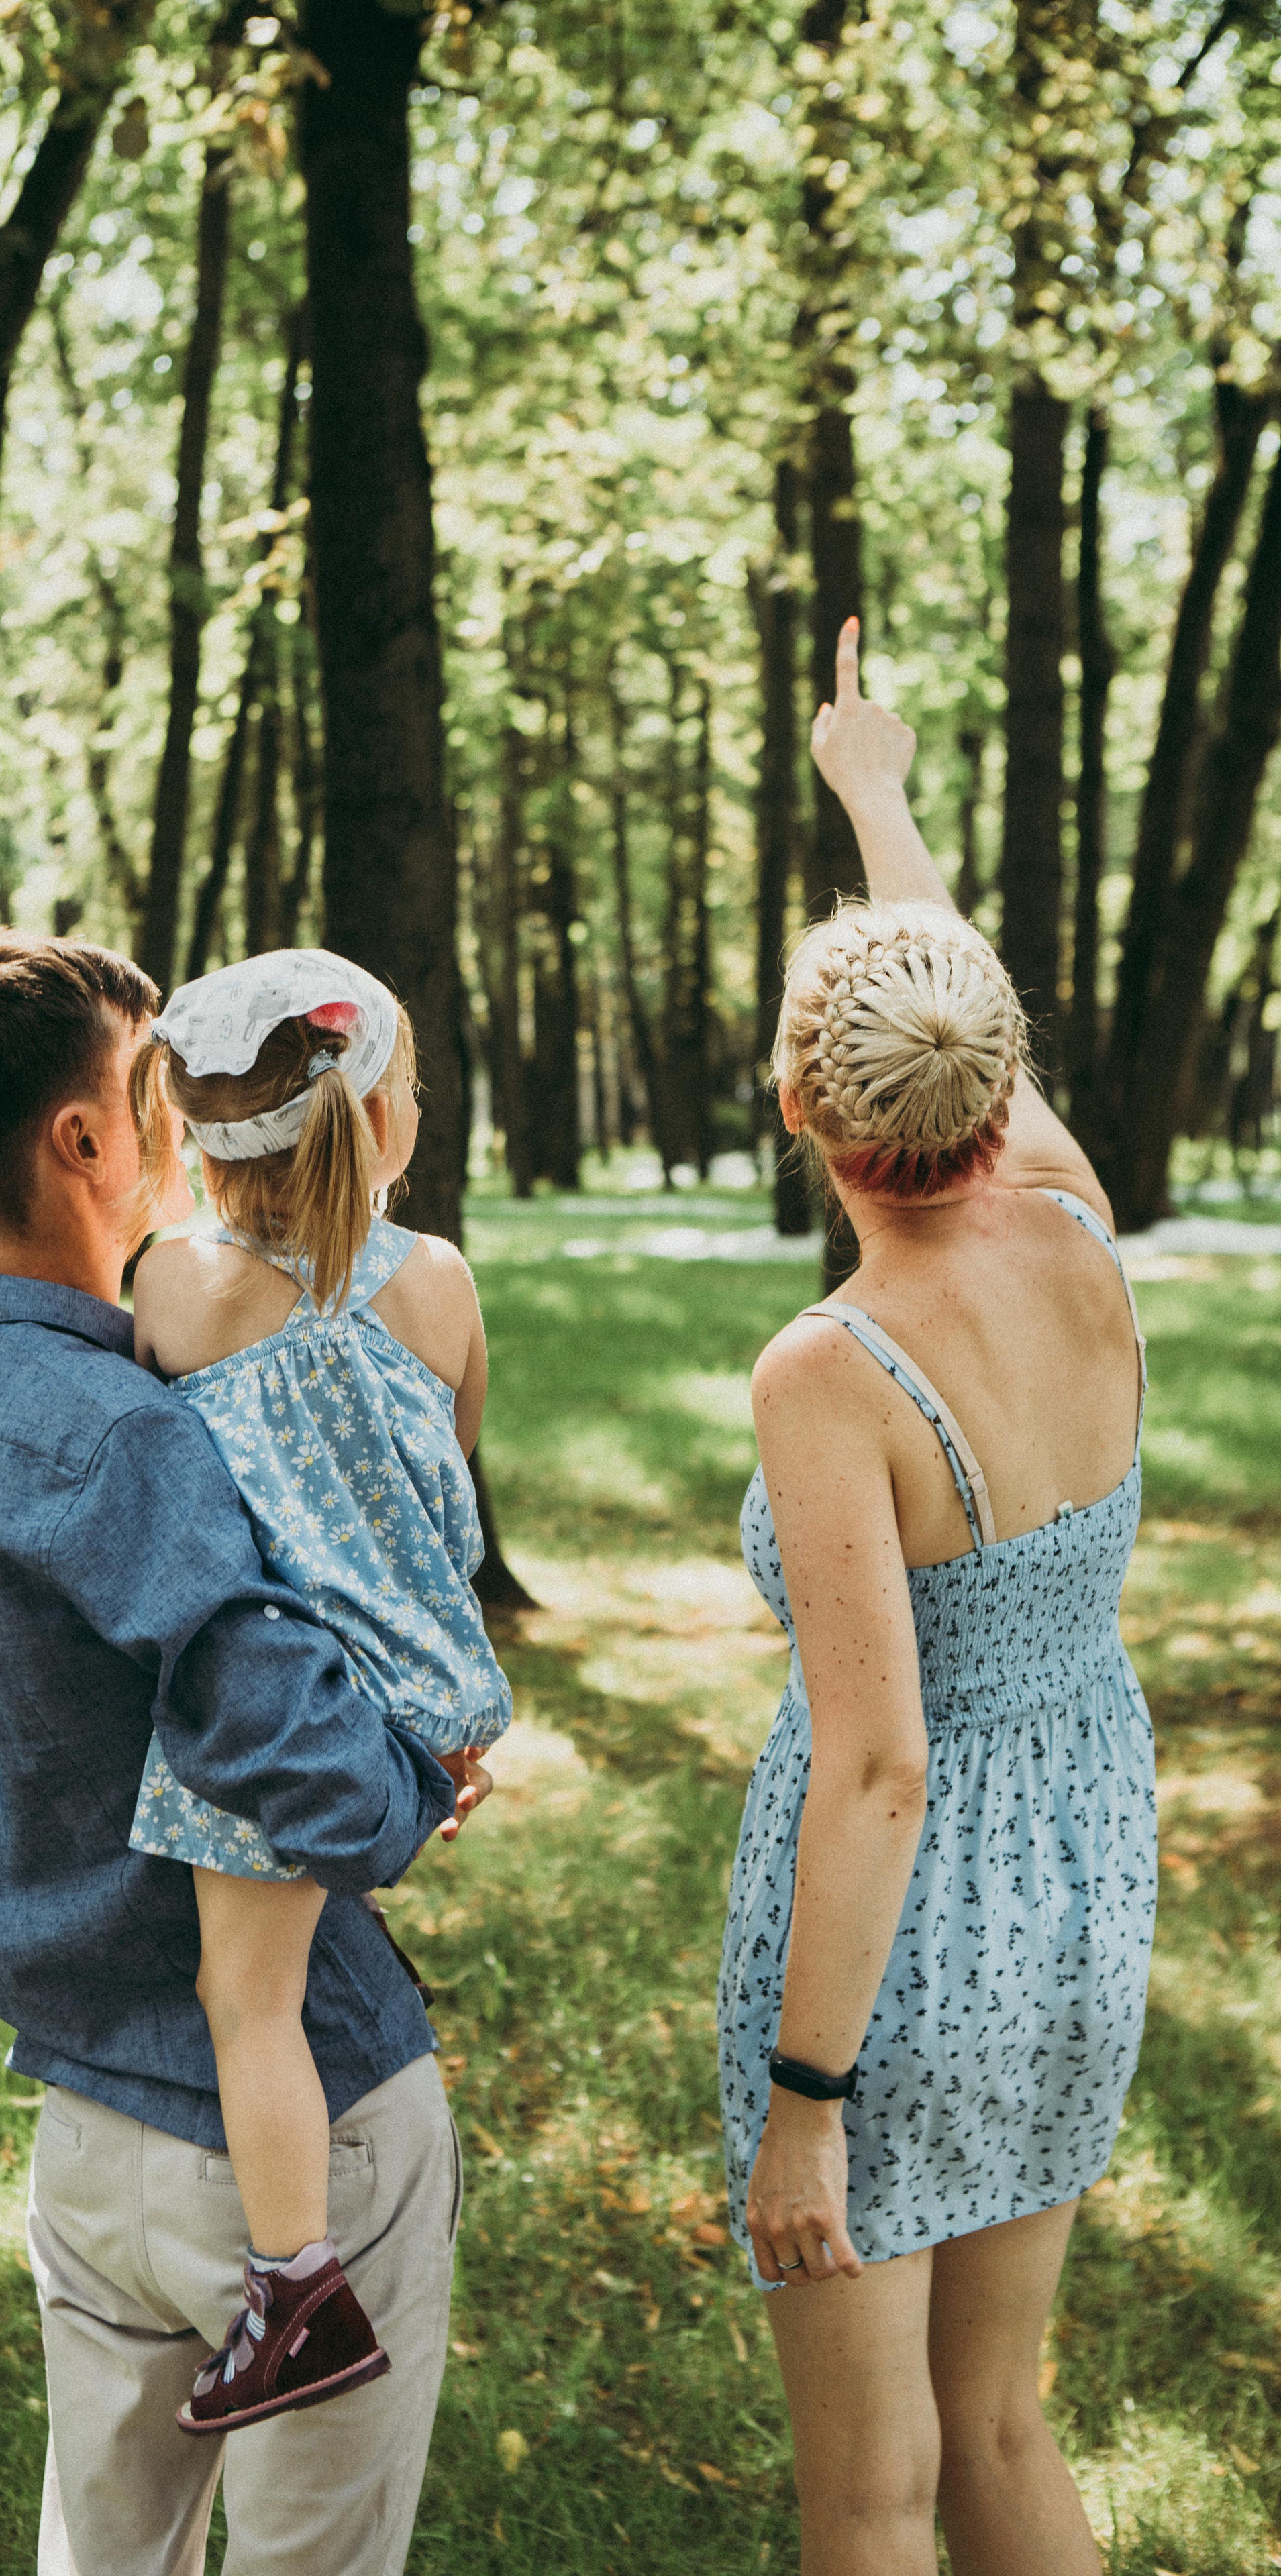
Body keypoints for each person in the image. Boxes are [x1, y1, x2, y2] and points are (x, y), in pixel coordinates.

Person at [0, 931, 488, 2576]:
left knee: (105, 2554)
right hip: (298, 2124)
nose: (189, 1110)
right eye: (152, 1083)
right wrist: (421, 1772)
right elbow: (324, 1783)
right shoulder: (128, 1432)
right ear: (85, 1139)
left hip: (81, 2115)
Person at [717, 623, 1156, 2576]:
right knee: (995, 2425)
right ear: (993, 1088)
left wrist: (806, 2098)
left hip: (902, 1947)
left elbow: (878, 1766)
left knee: (872, 2490)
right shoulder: (1075, 1228)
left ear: (798, 1108)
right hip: (1083, 1887)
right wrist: (875, 799)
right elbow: (962, 1027)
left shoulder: (832, 1368)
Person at [125, 948, 512, 2435]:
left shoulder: (174, 1286)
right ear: (380, 1118)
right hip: (419, 1696)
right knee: (284, 1966)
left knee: (247, 2000)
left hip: (286, 1711)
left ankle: (295, 2288)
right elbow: (448, 1477)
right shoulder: (440, 1283)